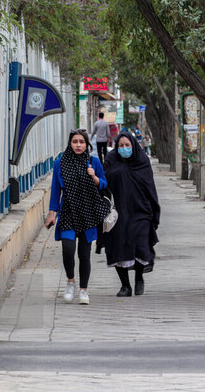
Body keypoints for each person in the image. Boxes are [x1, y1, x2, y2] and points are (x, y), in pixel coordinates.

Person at [45, 129, 110, 305]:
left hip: (88, 212)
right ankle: (70, 282)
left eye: (81, 142)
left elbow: (104, 183)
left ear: (86, 144)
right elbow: (56, 190)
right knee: (68, 249)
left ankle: (84, 290)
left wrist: (95, 177)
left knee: (84, 253)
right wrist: (52, 213)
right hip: (67, 211)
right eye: (75, 141)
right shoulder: (60, 163)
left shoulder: (93, 161)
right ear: (70, 143)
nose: (78, 145)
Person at [101, 132, 160, 297]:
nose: (124, 149)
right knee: (118, 246)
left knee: (140, 244)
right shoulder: (111, 161)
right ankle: (125, 286)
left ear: (133, 145)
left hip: (140, 211)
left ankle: (139, 277)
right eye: (121, 146)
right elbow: (102, 183)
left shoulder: (142, 161)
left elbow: (150, 187)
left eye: (127, 145)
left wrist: (152, 211)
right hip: (118, 213)